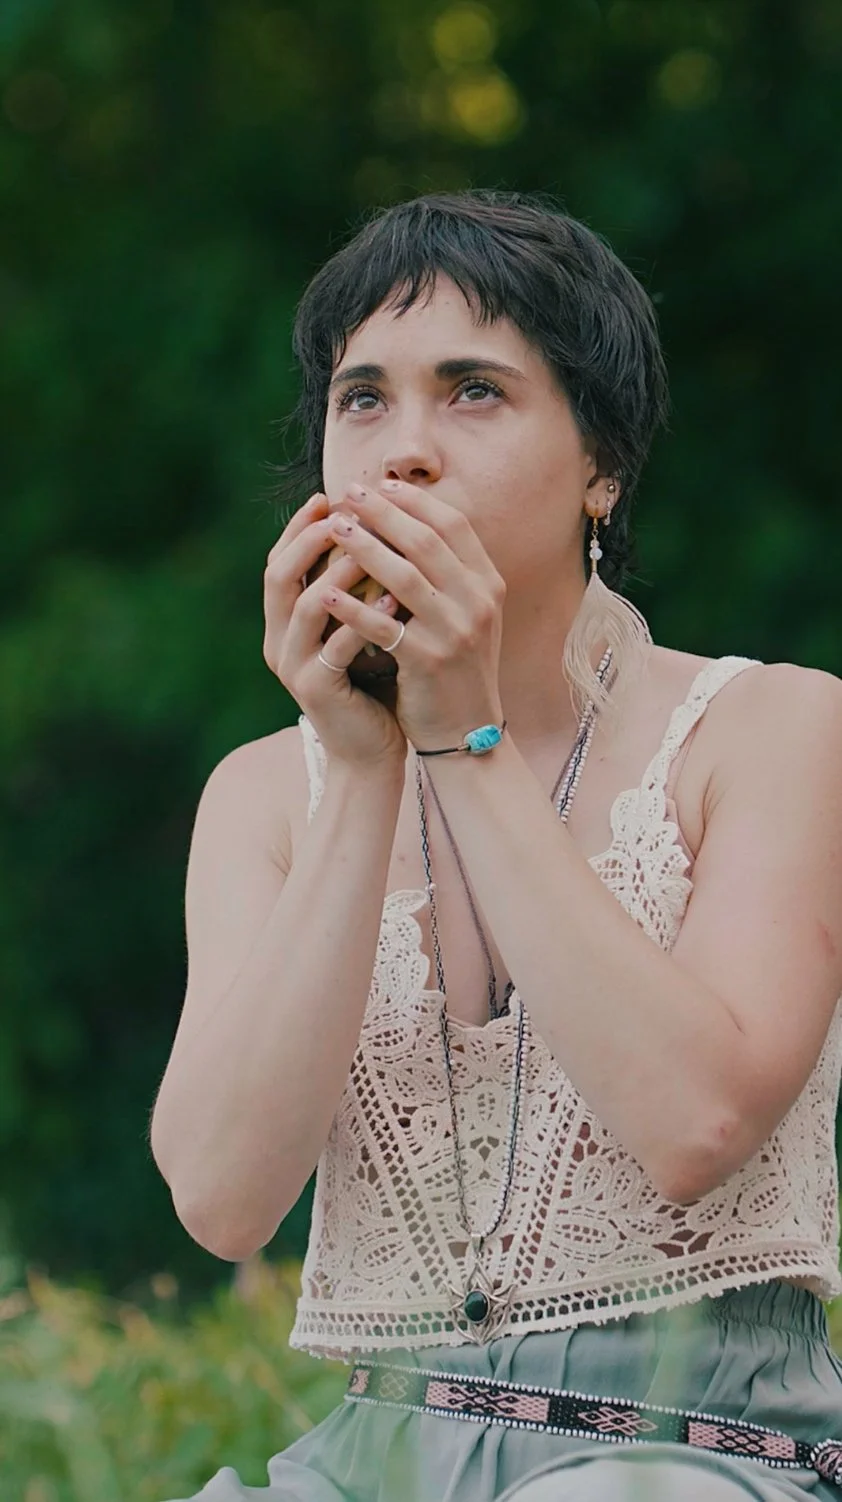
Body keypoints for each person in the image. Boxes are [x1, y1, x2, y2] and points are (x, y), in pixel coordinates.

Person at [150, 191, 842, 1501]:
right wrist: (362, 764)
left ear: (602, 465)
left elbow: (695, 1118)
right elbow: (224, 1198)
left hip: (693, 1454)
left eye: (473, 391)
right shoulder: (261, 793)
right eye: (363, 399)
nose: (402, 450)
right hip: (369, 1457)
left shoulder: (769, 726)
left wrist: (460, 738)